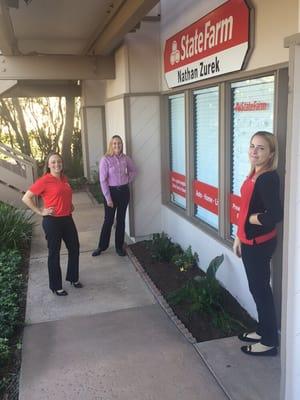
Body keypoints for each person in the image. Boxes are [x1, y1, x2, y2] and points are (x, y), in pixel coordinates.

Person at [233, 131, 283, 356]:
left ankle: (270, 341)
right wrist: (238, 236)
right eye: (252, 146)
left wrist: (253, 220)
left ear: (271, 154)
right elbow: (245, 207)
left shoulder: (268, 177)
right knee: (257, 289)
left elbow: (275, 214)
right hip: (248, 240)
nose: (254, 151)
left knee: (261, 291)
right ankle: (264, 330)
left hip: (259, 244)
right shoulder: (254, 174)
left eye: (261, 148)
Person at [22, 152, 82, 296]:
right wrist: (40, 211)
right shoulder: (44, 180)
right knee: (54, 254)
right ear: (48, 165)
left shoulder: (64, 178)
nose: (57, 164)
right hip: (52, 222)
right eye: (53, 162)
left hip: (67, 219)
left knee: (74, 247)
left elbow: (64, 195)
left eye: (59, 162)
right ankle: (56, 287)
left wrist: (70, 205)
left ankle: (73, 278)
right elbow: (26, 198)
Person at [92, 135, 137, 257]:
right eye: (114, 143)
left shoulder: (125, 159)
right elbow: (103, 180)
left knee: (121, 220)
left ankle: (119, 246)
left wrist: (127, 179)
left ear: (122, 145)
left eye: (119, 143)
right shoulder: (105, 159)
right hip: (111, 192)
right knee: (108, 220)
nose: (117, 145)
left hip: (124, 192)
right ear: (111, 145)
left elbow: (134, 170)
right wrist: (108, 198)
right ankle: (101, 246)